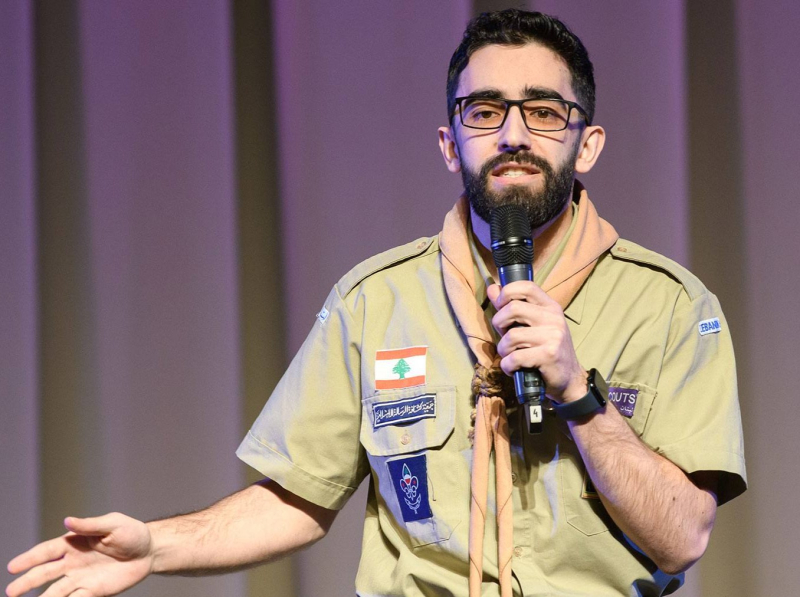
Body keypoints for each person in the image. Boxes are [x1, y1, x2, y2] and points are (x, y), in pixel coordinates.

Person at [6, 9, 746, 597]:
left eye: (545, 112)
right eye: (485, 111)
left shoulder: (671, 306)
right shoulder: (375, 300)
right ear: (450, 143)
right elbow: (299, 497)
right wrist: (155, 544)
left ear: (586, 144)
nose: (514, 133)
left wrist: (579, 395)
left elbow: (682, 535)